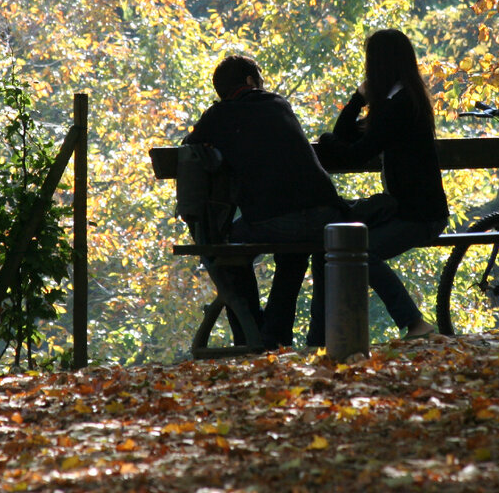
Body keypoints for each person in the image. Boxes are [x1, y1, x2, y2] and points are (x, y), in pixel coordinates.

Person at [184, 54, 345, 348]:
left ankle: (251, 334)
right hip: (326, 214)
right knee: (294, 255)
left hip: (276, 220)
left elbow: (189, 145)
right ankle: (273, 334)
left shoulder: (218, 115)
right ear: (250, 81)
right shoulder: (279, 104)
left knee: (229, 247)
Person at [318, 29, 448, 339]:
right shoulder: (400, 99)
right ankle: (320, 338)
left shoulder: (399, 105)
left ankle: (415, 324)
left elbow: (355, 153)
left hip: (421, 216)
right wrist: (358, 100)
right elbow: (347, 134)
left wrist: (325, 140)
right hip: (407, 210)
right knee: (330, 248)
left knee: (358, 254)